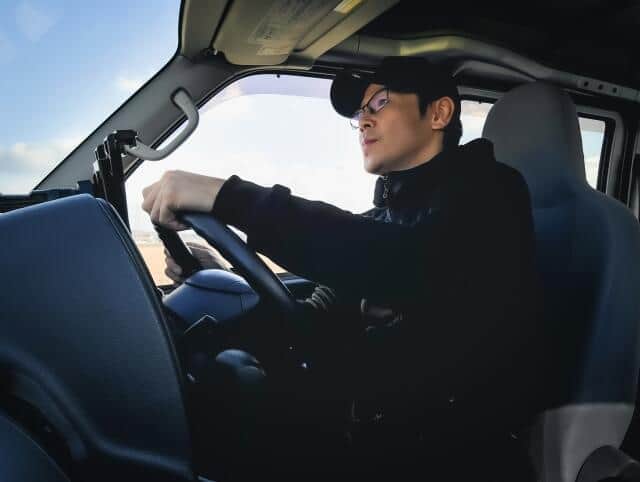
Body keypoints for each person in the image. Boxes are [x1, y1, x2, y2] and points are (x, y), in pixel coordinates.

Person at [142, 56, 544, 481]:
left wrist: (228, 197)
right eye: (360, 113)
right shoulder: (382, 220)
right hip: (372, 428)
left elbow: (406, 261)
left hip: (456, 449)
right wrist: (218, 279)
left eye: (380, 103)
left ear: (439, 113)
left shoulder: (495, 194)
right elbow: (312, 319)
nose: (364, 121)